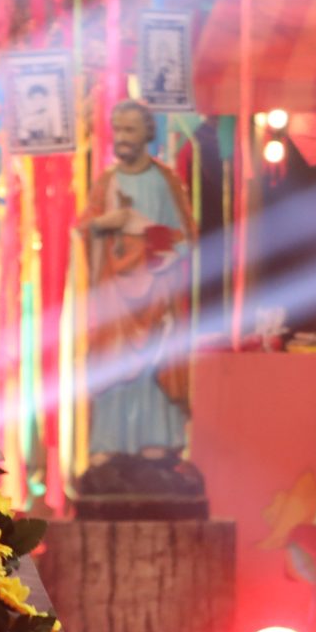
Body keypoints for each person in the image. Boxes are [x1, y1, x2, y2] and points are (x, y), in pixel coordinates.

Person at [80, 100, 195, 462]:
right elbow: (85, 228)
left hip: (155, 292)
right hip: (115, 293)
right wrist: (106, 223)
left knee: (153, 364)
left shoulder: (164, 182)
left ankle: (156, 443)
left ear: (147, 133)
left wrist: (166, 255)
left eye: (130, 130)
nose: (123, 137)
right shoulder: (105, 184)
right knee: (112, 367)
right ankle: (110, 445)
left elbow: (186, 237)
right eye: (118, 130)